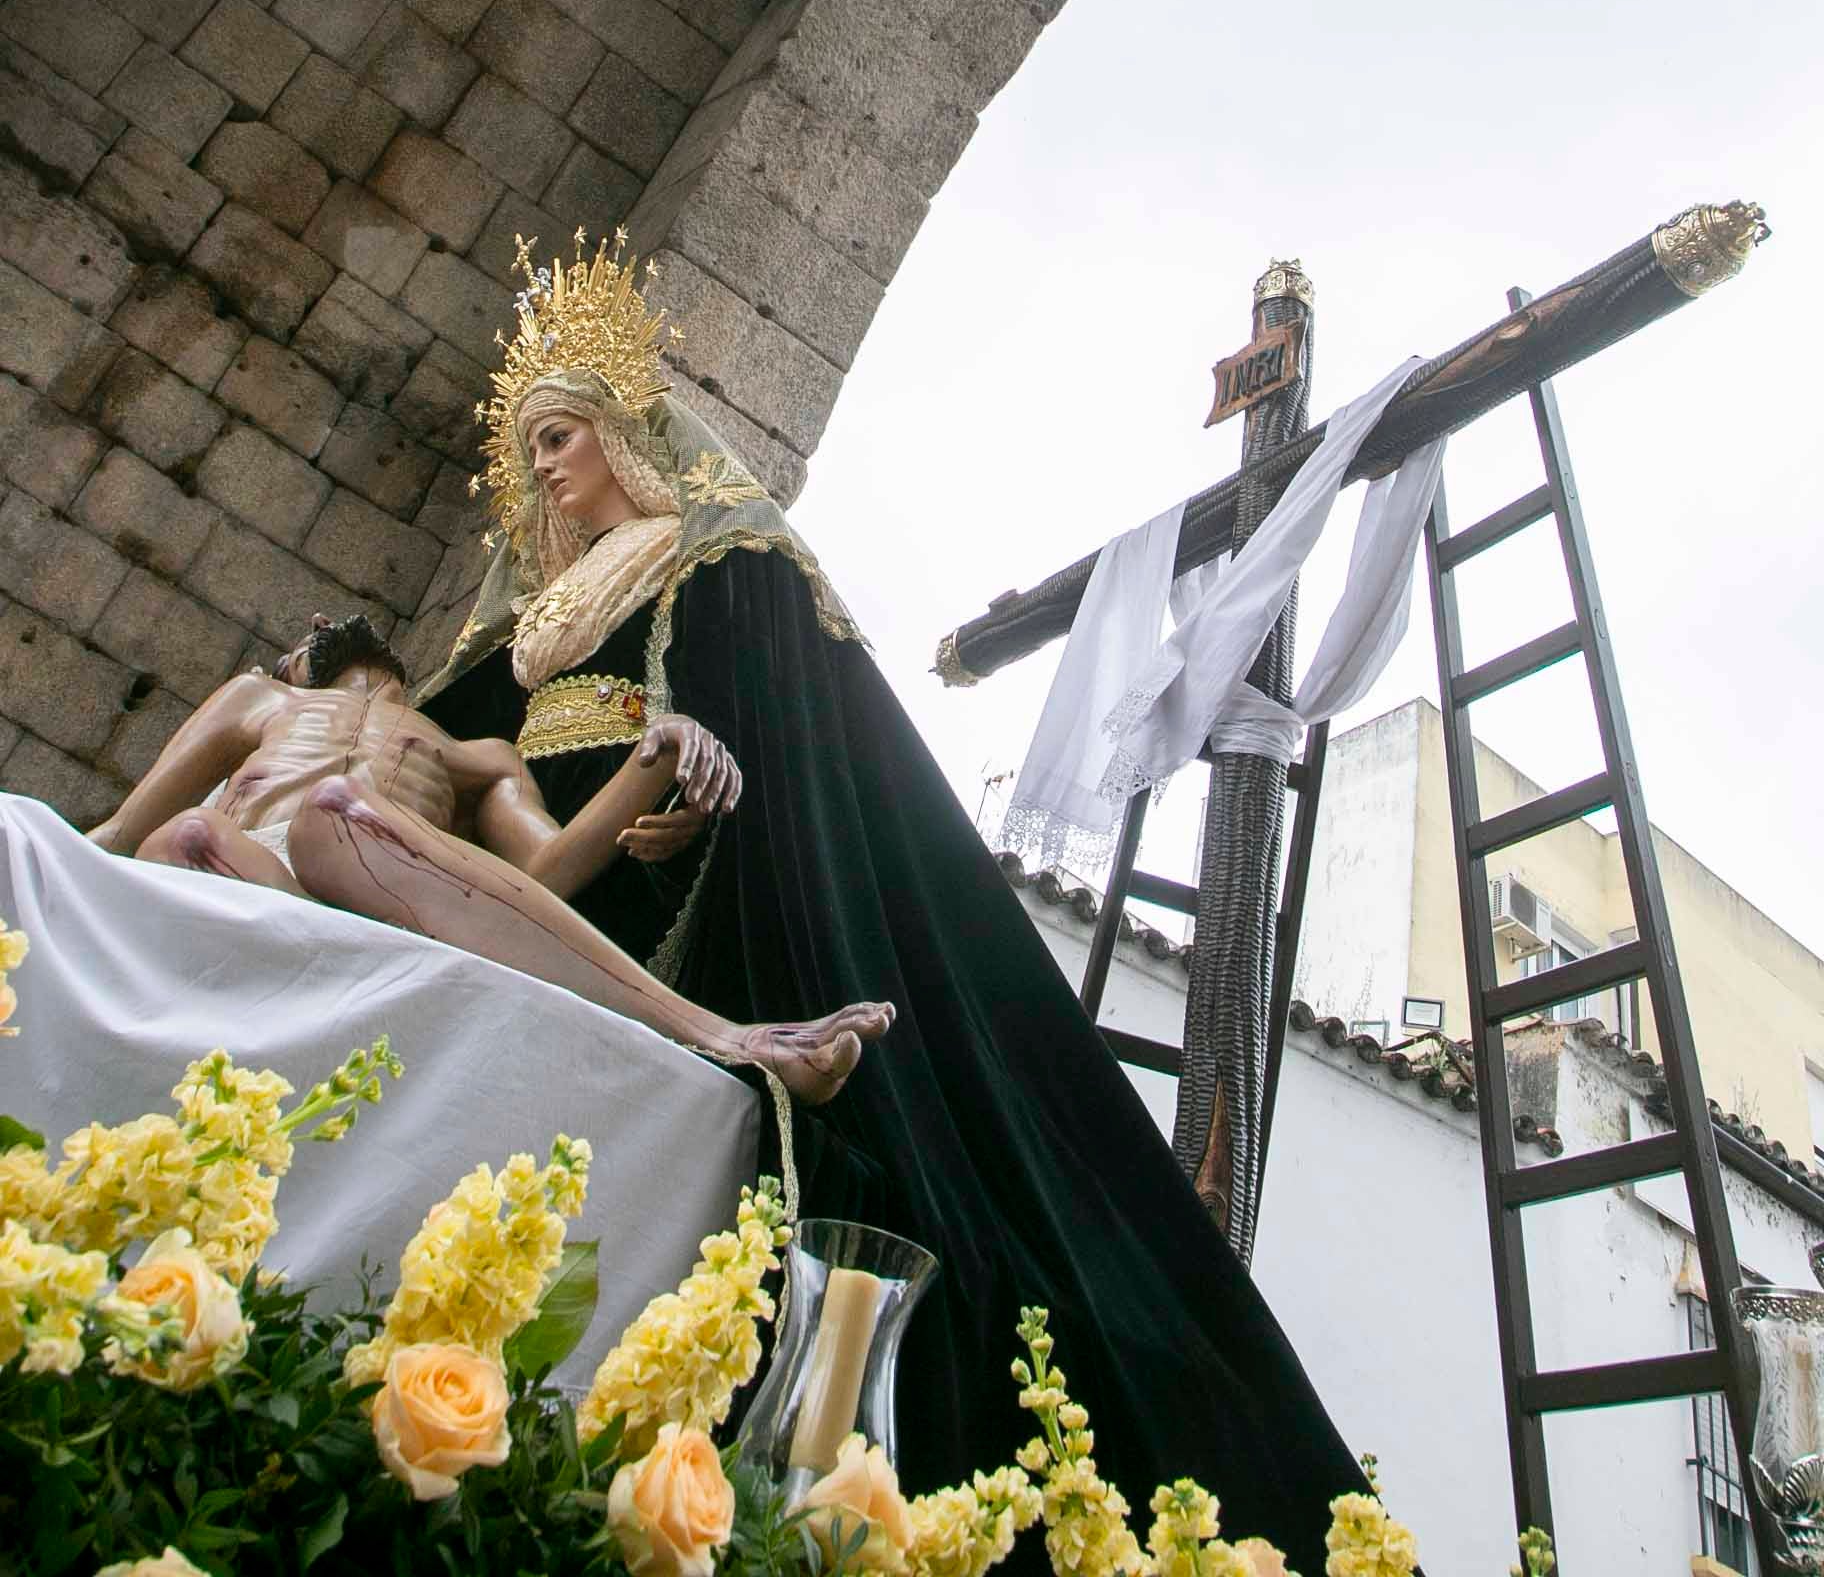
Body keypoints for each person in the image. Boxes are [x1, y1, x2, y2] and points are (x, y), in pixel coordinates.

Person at [416, 235, 1369, 1565]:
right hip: (552, 845)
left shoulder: (718, 555)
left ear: (630, 438)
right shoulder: (532, 615)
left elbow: (777, 726)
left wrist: (700, 789)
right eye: (535, 453)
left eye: (567, 438)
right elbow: (450, 731)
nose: (549, 471)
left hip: (670, 881)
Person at [85, 611, 891, 1105]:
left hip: (374, 894)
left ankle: (727, 1038)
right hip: (231, 878)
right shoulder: (262, 698)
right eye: (298, 642)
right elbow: (122, 835)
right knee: (194, 833)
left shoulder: (479, 754)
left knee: (335, 816)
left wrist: (656, 754)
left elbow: (546, 873)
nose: (315, 637)